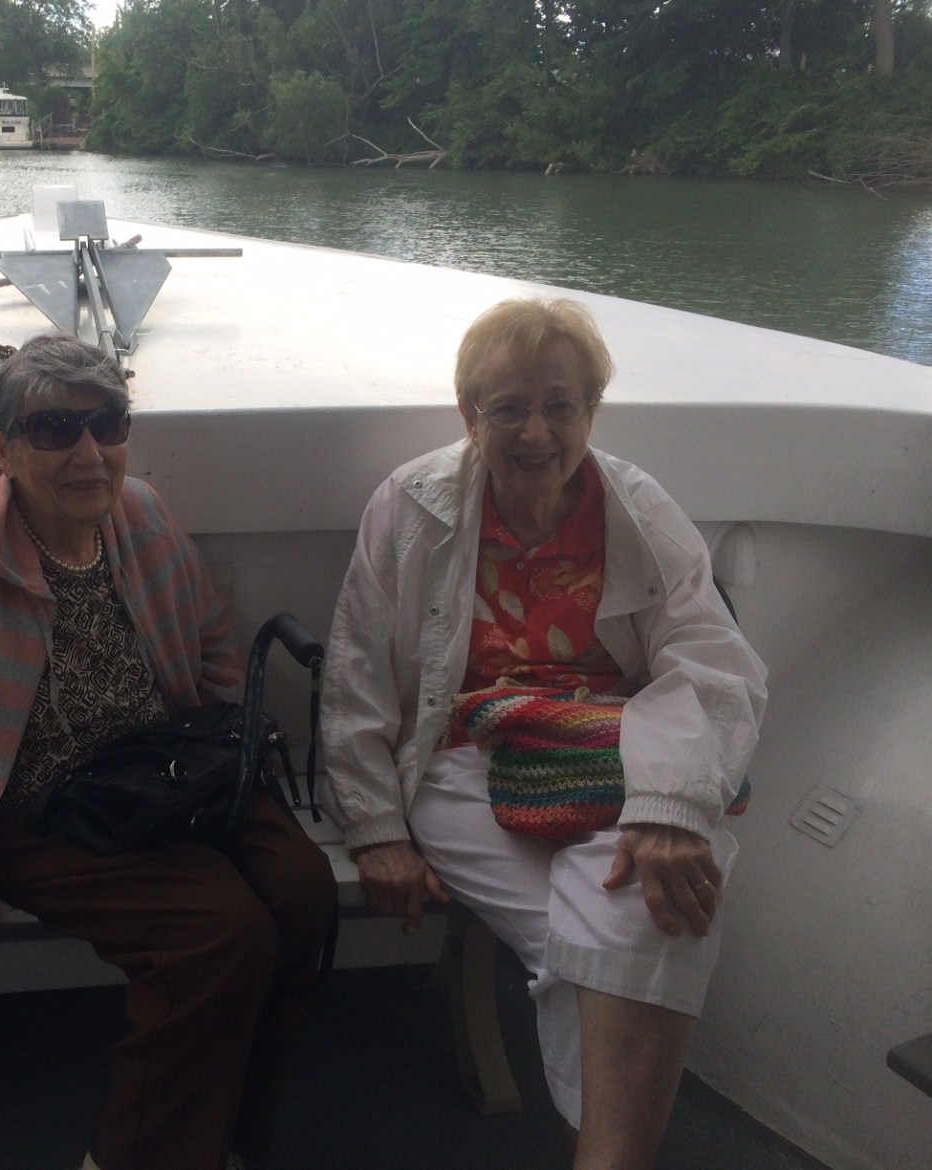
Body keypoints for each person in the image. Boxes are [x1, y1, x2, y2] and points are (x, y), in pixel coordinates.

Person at [0, 334, 336, 1170]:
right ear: (4, 449)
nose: (90, 452)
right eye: (55, 429)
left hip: (164, 773)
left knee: (304, 895)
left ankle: (232, 1135)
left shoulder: (143, 516)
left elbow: (209, 642)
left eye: (108, 423)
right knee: (219, 933)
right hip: (29, 806)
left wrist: (214, 753)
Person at [320, 298, 767, 1170]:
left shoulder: (635, 506)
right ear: (468, 417)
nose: (536, 431)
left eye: (561, 406)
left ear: (592, 411)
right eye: (508, 408)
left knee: (651, 903)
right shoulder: (411, 505)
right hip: (463, 762)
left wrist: (671, 805)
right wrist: (376, 827)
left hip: (613, 753)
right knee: (648, 927)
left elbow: (714, 659)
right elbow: (356, 677)